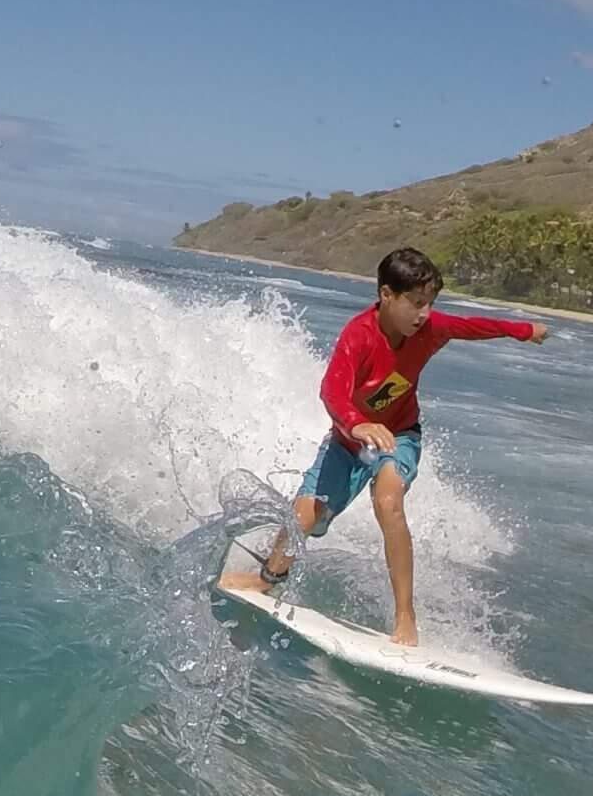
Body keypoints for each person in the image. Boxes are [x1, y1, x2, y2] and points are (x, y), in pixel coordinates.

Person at [223, 246, 546, 644]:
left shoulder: (429, 330)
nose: (424, 314)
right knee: (304, 518)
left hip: (401, 435)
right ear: (386, 295)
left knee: (388, 500)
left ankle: (405, 616)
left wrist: (524, 331)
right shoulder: (357, 337)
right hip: (347, 441)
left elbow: (473, 326)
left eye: (429, 304)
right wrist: (357, 425)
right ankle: (268, 578)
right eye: (416, 303)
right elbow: (332, 392)